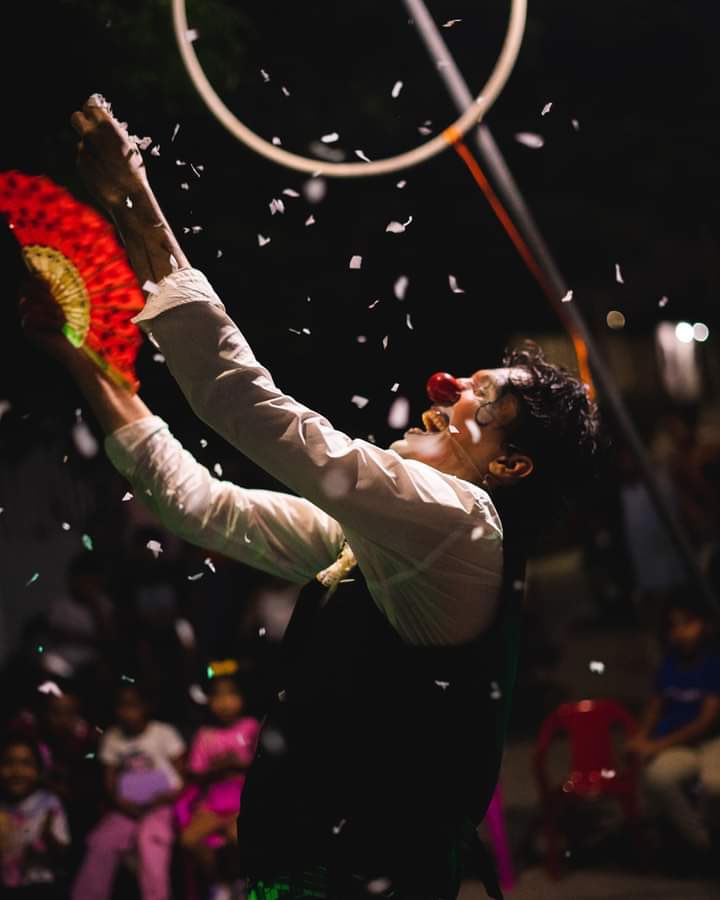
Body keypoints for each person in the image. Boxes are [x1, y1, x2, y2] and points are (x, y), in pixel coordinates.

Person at [21, 94, 599, 899]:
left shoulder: (462, 524)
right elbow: (200, 505)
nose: (448, 383)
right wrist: (78, 352)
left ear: (510, 467)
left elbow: (250, 407)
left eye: (479, 392)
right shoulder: (385, 547)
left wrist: (131, 196)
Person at [71, 682, 185, 900]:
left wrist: (165, 798)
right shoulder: (113, 737)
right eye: (123, 706)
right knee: (101, 843)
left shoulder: (163, 733)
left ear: (146, 707)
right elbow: (110, 780)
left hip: (161, 806)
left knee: (150, 841)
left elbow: (182, 776)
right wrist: (120, 802)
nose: (128, 712)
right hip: (125, 809)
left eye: (134, 706)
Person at [627, 596, 720, 862]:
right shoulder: (669, 665)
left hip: (712, 742)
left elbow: (706, 721)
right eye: (674, 626)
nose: (681, 632)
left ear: (705, 625)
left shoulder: (713, 663)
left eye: (688, 624)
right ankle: (702, 842)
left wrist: (659, 745)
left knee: (714, 787)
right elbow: (655, 706)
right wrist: (642, 737)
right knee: (657, 777)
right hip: (680, 747)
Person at [176, 660, 260, 897]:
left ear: (242, 697)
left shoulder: (250, 726)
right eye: (217, 697)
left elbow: (263, 763)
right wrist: (217, 769)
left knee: (239, 836)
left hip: (244, 801)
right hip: (214, 802)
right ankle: (218, 882)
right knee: (188, 840)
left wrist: (238, 764)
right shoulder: (205, 734)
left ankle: (241, 880)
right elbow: (196, 772)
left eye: (231, 695)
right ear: (209, 701)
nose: (224, 703)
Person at [0, 735, 71, 897]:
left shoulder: (49, 804)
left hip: (40, 887)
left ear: (39, 771)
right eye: (8, 763)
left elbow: (62, 853)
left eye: (26, 764)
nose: (16, 771)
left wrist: (48, 838)